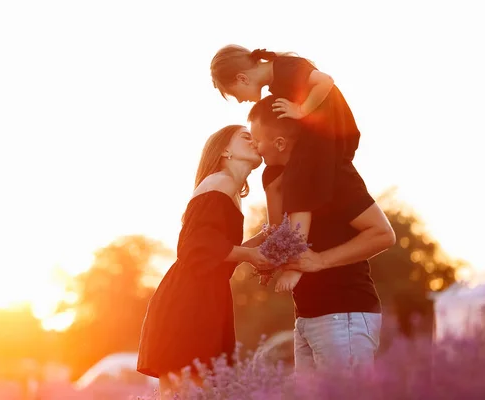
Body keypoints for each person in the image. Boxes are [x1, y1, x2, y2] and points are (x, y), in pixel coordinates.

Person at [247, 95, 396, 373]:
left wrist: (320, 261)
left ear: (280, 143)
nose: (254, 145)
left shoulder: (335, 175)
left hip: (344, 314)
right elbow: (279, 233)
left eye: (256, 138)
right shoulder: (284, 180)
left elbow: (383, 234)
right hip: (306, 316)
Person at [211, 45, 363, 290]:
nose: (240, 100)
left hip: (334, 134)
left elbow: (326, 81)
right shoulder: (276, 82)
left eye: (236, 93)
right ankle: (277, 250)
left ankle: (295, 263)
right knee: (275, 176)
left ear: (242, 78)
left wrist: (302, 110)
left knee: (299, 189)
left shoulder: (285, 69)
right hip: (316, 135)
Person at [137, 125, 270, 397]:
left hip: (203, 296)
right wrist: (249, 254)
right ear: (225, 151)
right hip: (190, 302)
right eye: (246, 137)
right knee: (188, 392)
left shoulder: (228, 189)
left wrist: (265, 239)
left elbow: (219, 255)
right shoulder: (220, 182)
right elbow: (194, 248)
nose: (254, 141)